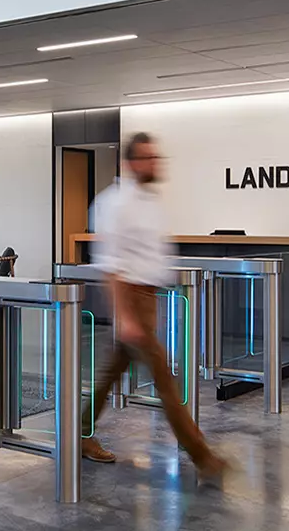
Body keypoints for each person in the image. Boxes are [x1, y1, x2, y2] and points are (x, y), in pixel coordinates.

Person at [81, 132, 230, 482]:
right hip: (131, 298)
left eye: (155, 157)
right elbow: (111, 266)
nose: (155, 163)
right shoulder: (113, 204)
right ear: (132, 162)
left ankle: (79, 434)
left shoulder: (150, 201)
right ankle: (203, 457)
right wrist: (126, 316)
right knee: (165, 380)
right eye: (148, 157)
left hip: (147, 298)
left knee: (110, 374)